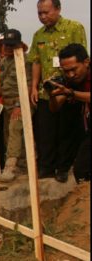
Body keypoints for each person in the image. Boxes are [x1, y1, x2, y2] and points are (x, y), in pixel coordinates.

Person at [28, 0, 87, 182]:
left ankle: (63, 168)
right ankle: (46, 168)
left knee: (66, 130)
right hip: (47, 92)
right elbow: (36, 61)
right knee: (46, 131)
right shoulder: (38, 35)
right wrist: (34, 86)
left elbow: (82, 57)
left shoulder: (74, 27)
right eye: (39, 13)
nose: (43, 16)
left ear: (58, 9)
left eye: (46, 12)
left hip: (70, 89)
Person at [48, 43, 90, 183]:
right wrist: (52, 95)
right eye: (66, 71)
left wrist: (71, 93)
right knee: (81, 170)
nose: (71, 75)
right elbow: (55, 108)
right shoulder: (69, 80)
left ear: (86, 62)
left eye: (74, 69)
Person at [0, 29, 32, 182]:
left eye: (12, 45)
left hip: (22, 102)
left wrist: (19, 105)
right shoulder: (4, 61)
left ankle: (10, 167)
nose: (8, 48)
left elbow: (29, 85)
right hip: (7, 104)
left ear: (18, 45)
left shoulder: (25, 61)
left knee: (15, 130)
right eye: (6, 45)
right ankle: (21, 166)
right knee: (9, 135)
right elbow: (3, 83)